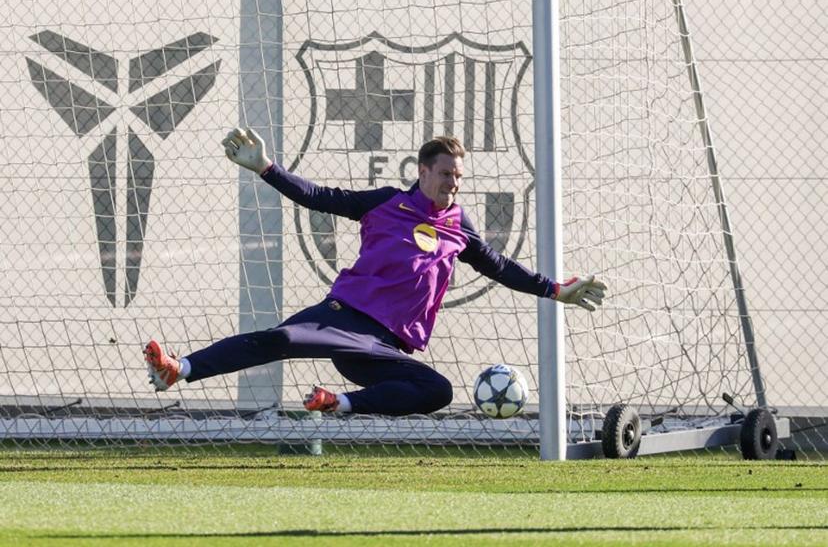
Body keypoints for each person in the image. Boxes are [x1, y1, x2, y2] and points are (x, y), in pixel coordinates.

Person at [144, 127, 607, 416]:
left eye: (459, 177)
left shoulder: (459, 226)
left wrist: (554, 290)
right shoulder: (386, 202)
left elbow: (500, 267)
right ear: (423, 171)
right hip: (344, 316)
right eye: (446, 173)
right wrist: (266, 168)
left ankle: (338, 403)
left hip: (384, 345)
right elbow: (320, 196)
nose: (454, 183)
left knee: (436, 390)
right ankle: (178, 369)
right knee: (282, 340)